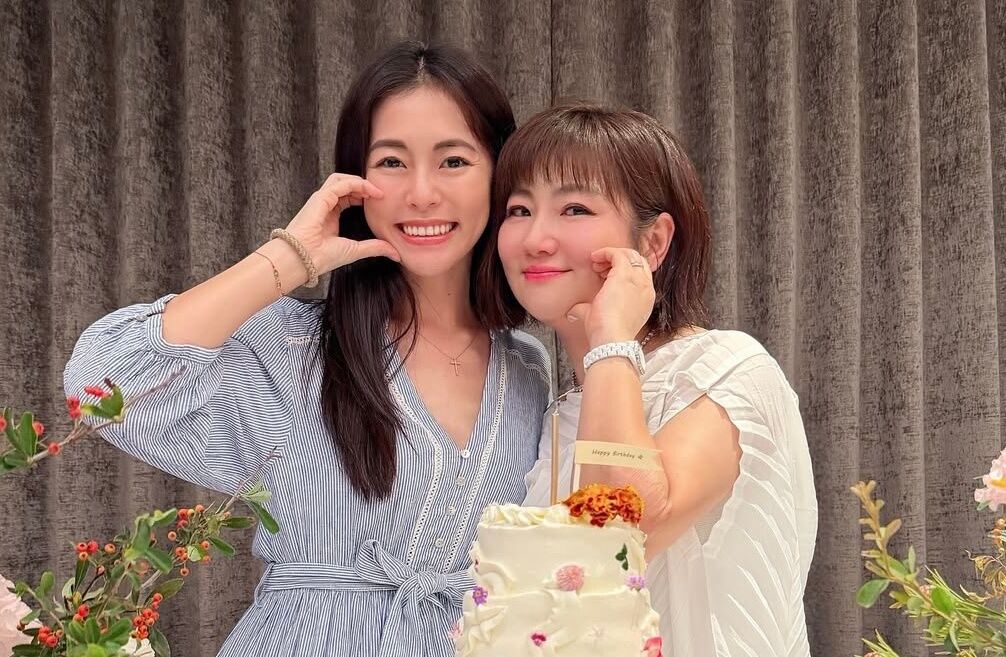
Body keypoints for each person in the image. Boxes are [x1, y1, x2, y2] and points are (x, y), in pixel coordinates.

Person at [64, 41, 551, 657]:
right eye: (391, 162)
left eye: (453, 160)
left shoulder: (526, 368)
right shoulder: (293, 350)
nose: (422, 193)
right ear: (353, 182)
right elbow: (98, 387)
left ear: (499, 175)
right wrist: (289, 258)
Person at [478, 104, 817, 657]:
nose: (535, 238)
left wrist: (611, 336)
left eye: (574, 208)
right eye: (519, 209)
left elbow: (623, 530)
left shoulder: (728, 370)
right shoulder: (555, 410)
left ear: (653, 242)